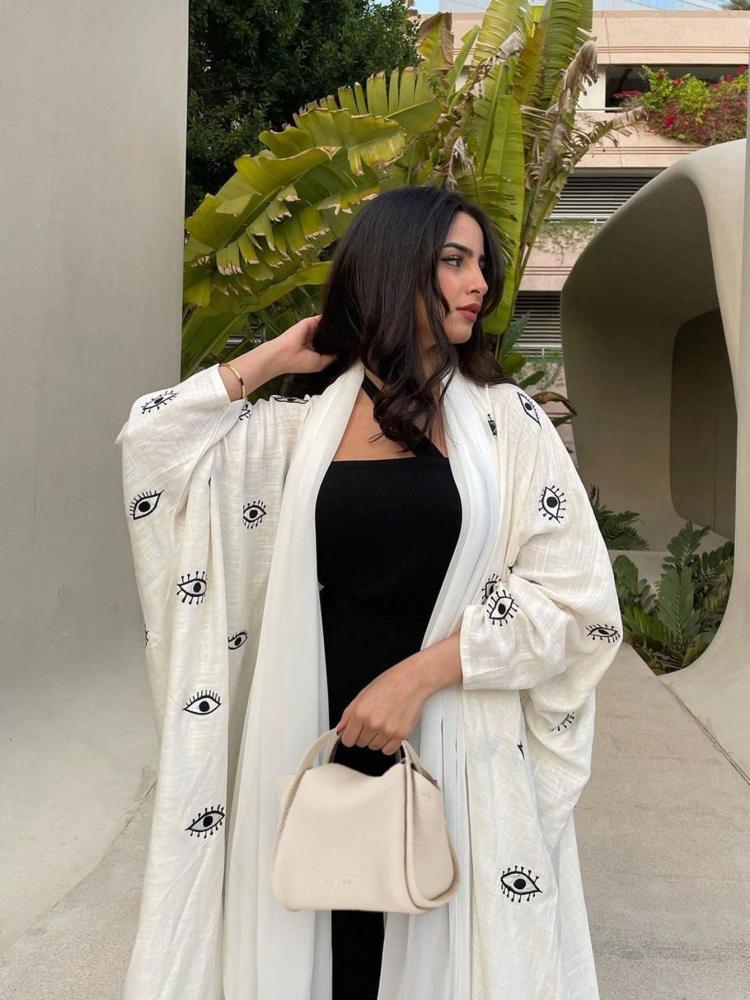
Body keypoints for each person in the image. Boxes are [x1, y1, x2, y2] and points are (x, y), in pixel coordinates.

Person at [116, 185, 624, 1000]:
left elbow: (577, 601)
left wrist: (416, 679)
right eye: (453, 261)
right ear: (392, 267)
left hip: (450, 737)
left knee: (435, 934)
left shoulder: (506, 425)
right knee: (330, 953)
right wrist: (272, 359)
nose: (479, 283)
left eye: (481, 265)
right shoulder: (291, 434)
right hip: (310, 733)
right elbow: (152, 444)